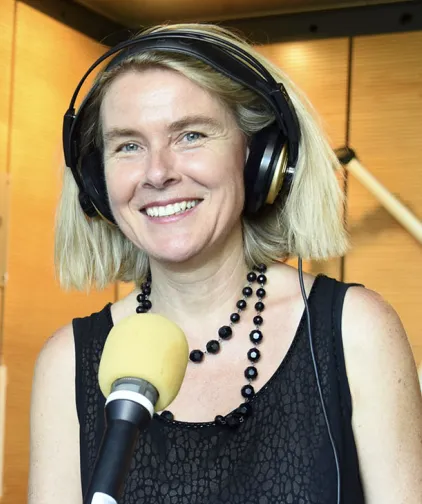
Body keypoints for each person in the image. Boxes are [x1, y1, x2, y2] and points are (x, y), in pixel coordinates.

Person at [28, 23, 422, 504]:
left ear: (258, 157)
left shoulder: (356, 331)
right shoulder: (66, 363)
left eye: (190, 135)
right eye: (128, 145)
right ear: (95, 183)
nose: (157, 173)